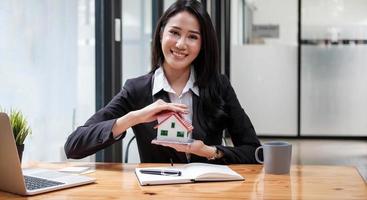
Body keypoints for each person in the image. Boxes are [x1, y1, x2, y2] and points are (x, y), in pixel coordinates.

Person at [64, 0, 261, 164]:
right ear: (161, 34)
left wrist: (210, 151)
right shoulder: (136, 89)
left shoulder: (218, 86)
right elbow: (74, 146)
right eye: (174, 32)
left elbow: (255, 152)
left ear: (203, 45)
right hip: (156, 192)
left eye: (192, 37)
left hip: (207, 192)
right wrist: (136, 117)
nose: (180, 44)